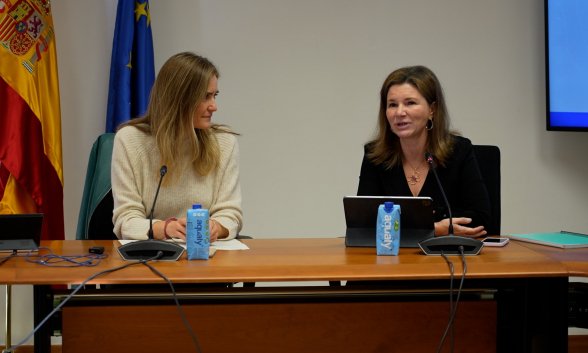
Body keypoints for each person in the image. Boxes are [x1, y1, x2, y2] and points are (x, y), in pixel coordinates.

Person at [112, 52, 242, 243]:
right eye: (205, 97)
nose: (214, 106)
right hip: (151, 254)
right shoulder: (131, 140)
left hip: (206, 252)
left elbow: (230, 212)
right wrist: (165, 228)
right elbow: (126, 218)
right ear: (179, 98)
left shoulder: (224, 142)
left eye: (214, 95)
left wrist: (217, 227)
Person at [357, 65, 491, 237]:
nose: (399, 112)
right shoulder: (375, 156)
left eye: (410, 103)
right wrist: (434, 228)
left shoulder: (459, 151)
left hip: (447, 257)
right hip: (391, 257)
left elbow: (481, 218)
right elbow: (363, 222)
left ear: (432, 110)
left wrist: (403, 225)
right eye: (392, 105)